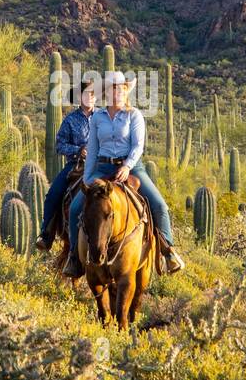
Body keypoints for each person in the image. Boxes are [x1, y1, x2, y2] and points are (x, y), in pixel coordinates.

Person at [64, 70, 184, 277]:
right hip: (102, 168)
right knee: (76, 208)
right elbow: (92, 150)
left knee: (159, 205)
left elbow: (138, 146)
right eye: (114, 88)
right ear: (107, 92)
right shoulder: (98, 117)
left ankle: (168, 251)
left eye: (121, 88)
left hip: (130, 167)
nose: (118, 92)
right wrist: (88, 179)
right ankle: (75, 257)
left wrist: (127, 166)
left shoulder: (134, 115)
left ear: (126, 91)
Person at [35, 80, 95, 251]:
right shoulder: (70, 120)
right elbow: (60, 145)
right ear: (79, 97)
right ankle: (46, 233)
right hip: (76, 165)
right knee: (53, 193)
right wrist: (78, 150)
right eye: (86, 94)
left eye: (92, 94)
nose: (90, 97)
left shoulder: (102, 117)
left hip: (99, 165)